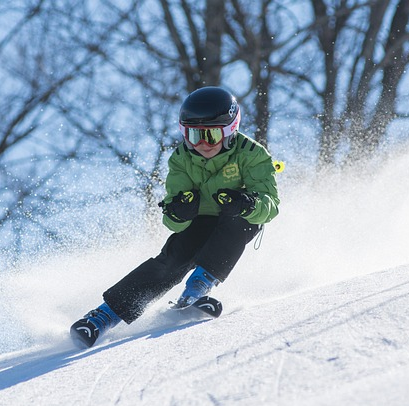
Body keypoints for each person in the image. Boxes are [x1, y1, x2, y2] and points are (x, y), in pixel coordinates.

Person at [70, 86, 280, 348]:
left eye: (211, 135)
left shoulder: (252, 154)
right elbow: (172, 220)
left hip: (236, 217)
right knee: (173, 258)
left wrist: (247, 203)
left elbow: (270, 206)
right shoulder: (181, 158)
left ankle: (196, 289)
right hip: (200, 220)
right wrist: (179, 211)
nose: (201, 144)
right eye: (193, 135)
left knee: (242, 223)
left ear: (229, 131)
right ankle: (103, 317)